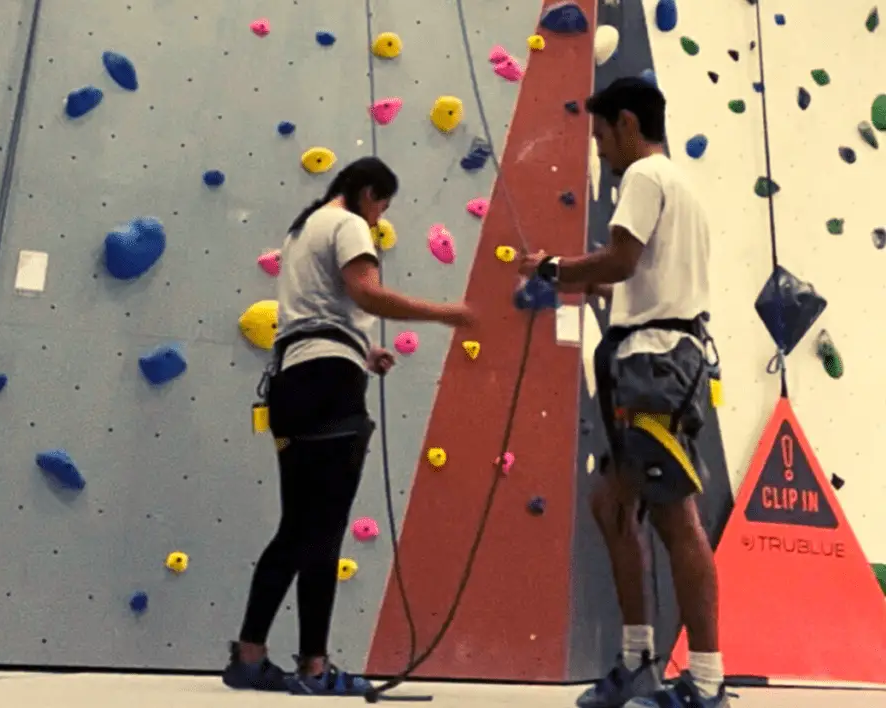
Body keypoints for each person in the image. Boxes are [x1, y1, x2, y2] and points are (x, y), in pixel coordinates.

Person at [222, 156, 476, 696]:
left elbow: (318, 313)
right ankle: (314, 668)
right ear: (367, 193)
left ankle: (249, 656)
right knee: (325, 530)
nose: (380, 219)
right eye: (382, 206)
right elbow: (365, 292)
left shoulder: (303, 230)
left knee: (296, 528)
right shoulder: (349, 224)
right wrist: (445, 313)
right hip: (328, 388)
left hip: (293, 383)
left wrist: (364, 348)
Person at [518, 77, 728, 708]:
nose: (601, 149)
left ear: (629, 125)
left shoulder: (644, 178)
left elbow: (619, 261)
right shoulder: (683, 187)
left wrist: (557, 271)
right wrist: (586, 278)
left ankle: (708, 680)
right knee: (612, 505)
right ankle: (637, 661)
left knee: (673, 515)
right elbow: (637, 276)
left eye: (603, 134)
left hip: (655, 363)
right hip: (656, 357)